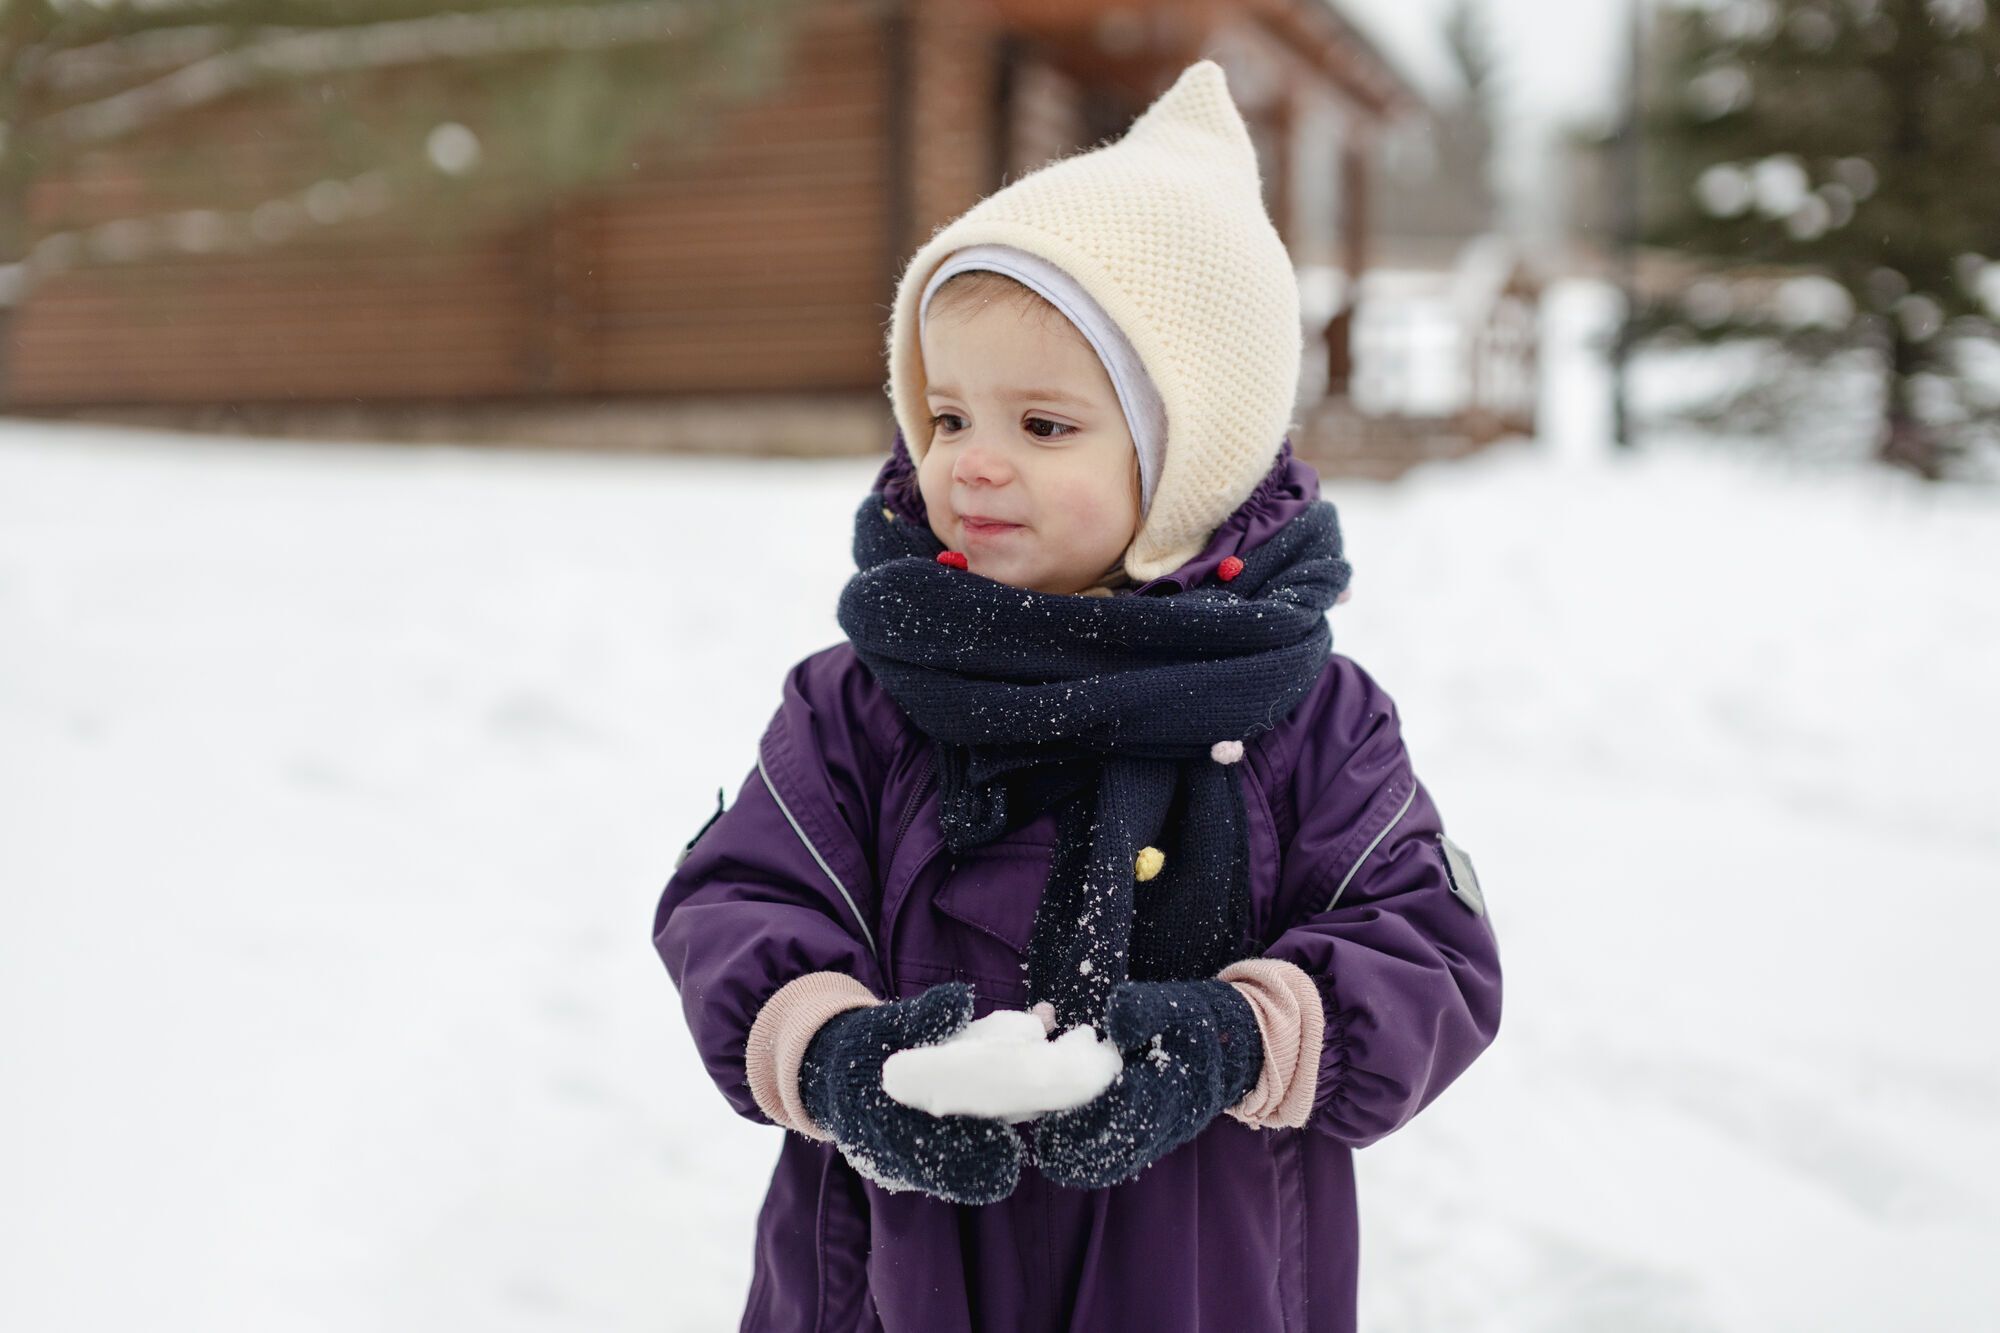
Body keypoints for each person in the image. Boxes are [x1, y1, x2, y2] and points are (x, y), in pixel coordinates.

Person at [652, 60, 1503, 1333]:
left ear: (1186, 457)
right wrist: (839, 1059)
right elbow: (739, 899)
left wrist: (1226, 1039)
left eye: (1042, 426)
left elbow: (1427, 951)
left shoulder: (1307, 718)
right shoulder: (863, 696)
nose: (970, 462)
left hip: (1197, 1280)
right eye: (944, 416)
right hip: (891, 1280)